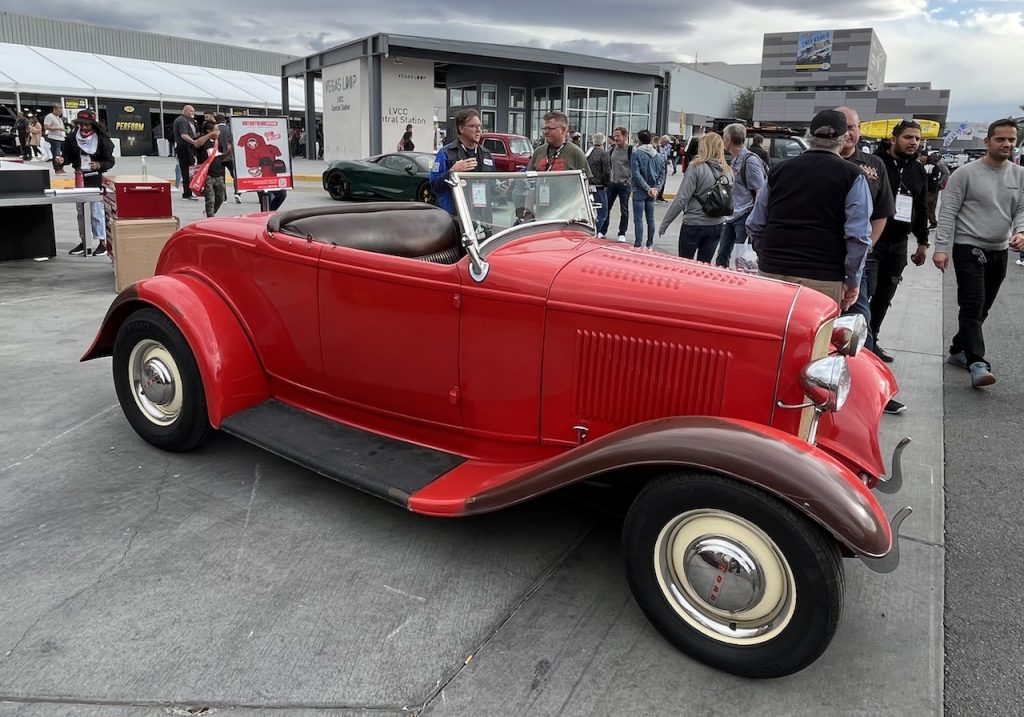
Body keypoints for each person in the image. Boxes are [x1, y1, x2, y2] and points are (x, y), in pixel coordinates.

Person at [746, 109, 871, 309]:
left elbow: (755, 224)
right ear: (844, 138)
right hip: (823, 277)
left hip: (772, 271)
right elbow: (858, 236)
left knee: (771, 335)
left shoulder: (779, 171)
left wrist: (768, 255)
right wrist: (853, 280)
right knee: (812, 339)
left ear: (809, 136)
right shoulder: (852, 175)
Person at [933, 118, 1024, 389]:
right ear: (987, 141)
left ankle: (958, 349)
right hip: (968, 248)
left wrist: (1021, 232)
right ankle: (977, 363)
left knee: (983, 307)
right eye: (1001, 139)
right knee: (972, 305)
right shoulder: (965, 173)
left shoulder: (1019, 175)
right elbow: (948, 212)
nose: (1007, 144)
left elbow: (1022, 210)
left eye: (1011, 139)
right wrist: (940, 248)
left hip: (999, 250)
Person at [835, 106, 903, 414]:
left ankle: (874, 392)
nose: (850, 132)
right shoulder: (820, 163)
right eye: (844, 126)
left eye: (855, 126)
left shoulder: (872, 165)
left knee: (861, 324)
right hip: (817, 261)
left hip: (856, 261)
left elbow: (882, 213)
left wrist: (864, 252)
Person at [869, 120, 930, 362]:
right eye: (908, 137)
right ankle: (858, 342)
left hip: (898, 243)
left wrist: (923, 242)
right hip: (873, 240)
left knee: (885, 295)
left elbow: (922, 206)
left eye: (917, 138)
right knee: (866, 292)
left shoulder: (917, 170)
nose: (913, 142)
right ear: (893, 139)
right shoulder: (875, 164)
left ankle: (871, 340)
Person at [659, 132, 731, 260]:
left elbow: (682, 198)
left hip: (694, 223)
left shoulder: (696, 167)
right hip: (717, 223)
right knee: (704, 266)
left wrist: (665, 223)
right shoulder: (727, 170)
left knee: (686, 264)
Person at [56, 109, 115, 257]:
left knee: (96, 211)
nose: (83, 128)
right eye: (81, 125)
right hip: (80, 176)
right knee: (81, 212)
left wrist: (99, 165)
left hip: (95, 177)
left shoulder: (102, 139)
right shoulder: (72, 138)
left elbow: (109, 161)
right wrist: (62, 161)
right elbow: (67, 156)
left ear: (93, 125)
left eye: (87, 125)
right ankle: (84, 241)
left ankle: (102, 242)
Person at [715, 123, 764, 268]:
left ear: (729, 139)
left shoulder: (750, 160)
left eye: (724, 137)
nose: (723, 141)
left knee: (741, 258)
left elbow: (761, 190)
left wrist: (754, 217)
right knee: (722, 254)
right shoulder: (735, 159)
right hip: (732, 214)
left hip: (745, 215)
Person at [429, 108, 495, 214]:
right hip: (455, 217)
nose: (478, 130)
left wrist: (502, 187)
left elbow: (492, 187)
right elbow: (434, 187)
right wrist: (452, 171)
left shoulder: (486, 154)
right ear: (461, 129)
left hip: (482, 218)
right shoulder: (446, 153)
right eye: (473, 126)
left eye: (479, 126)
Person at [629, 129, 666, 249]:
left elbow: (636, 174)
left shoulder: (636, 154)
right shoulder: (659, 156)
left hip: (639, 190)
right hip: (653, 191)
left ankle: (638, 243)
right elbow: (662, 174)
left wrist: (647, 188)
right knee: (650, 218)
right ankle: (650, 243)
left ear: (639, 140)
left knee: (638, 219)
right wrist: (656, 188)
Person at [528, 111, 591, 176]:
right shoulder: (538, 152)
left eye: (550, 128)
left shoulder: (576, 153)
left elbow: (585, 182)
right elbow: (529, 179)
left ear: (563, 130)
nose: (546, 132)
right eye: (545, 128)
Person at [601, 126, 632, 242]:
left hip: (624, 185)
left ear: (625, 136)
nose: (615, 138)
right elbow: (607, 164)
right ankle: (602, 231)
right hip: (612, 183)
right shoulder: (612, 149)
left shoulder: (630, 150)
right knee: (606, 208)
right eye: (615, 135)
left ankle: (622, 233)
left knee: (624, 210)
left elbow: (635, 168)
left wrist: (629, 181)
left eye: (618, 135)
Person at [195, 120, 226, 218]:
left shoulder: (218, 142)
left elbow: (220, 156)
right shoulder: (203, 141)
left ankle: (212, 212)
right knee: (210, 199)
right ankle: (210, 217)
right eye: (216, 130)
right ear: (209, 131)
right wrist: (209, 135)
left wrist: (229, 152)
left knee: (221, 197)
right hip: (207, 175)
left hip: (219, 174)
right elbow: (196, 144)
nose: (218, 132)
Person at [585, 132, 611, 237]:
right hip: (599, 186)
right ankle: (595, 232)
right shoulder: (604, 154)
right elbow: (606, 172)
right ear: (603, 142)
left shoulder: (588, 153)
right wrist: (607, 184)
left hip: (588, 185)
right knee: (603, 212)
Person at [173, 105, 200, 200]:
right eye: (191, 111)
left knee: (190, 170)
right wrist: (194, 142)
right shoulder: (182, 121)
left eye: (194, 111)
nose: (193, 113)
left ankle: (189, 192)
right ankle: (187, 194)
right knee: (186, 171)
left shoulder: (190, 121)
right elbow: (184, 135)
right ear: (185, 111)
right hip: (184, 148)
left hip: (188, 148)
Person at [215, 114, 242, 203]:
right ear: (225, 121)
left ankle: (224, 197)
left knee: (221, 177)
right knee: (235, 175)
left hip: (219, 156)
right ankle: (237, 193)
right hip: (230, 156)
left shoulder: (215, 130)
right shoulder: (230, 129)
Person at [924, 151, 950, 229]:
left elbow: (947, 173)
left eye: (935, 156)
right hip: (933, 187)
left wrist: (940, 182)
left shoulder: (940, 164)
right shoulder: (934, 164)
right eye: (933, 156)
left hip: (934, 187)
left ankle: (933, 221)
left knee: (930, 205)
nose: (934, 157)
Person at [43, 105, 67, 174]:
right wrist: (58, 128)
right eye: (59, 111)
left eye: (61, 112)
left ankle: (61, 167)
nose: (60, 113)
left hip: (61, 138)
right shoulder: (49, 116)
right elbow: (46, 127)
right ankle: (57, 169)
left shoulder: (58, 118)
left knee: (63, 154)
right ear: (54, 109)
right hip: (54, 138)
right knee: (56, 155)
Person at [656, 135, 672, 201]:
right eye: (666, 142)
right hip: (658, 164)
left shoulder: (666, 147)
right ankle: (656, 195)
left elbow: (667, 155)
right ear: (663, 141)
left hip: (664, 163)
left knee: (663, 180)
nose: (667, 143)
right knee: (658, 180)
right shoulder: (657, 147)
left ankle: (660, 195)